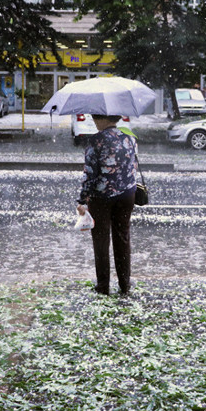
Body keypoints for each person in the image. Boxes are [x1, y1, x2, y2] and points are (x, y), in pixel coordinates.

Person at [76, 114, 138, 296]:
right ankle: (124, 285)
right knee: (123, 238)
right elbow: (131, 166)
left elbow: (90, 174)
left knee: (101, 241)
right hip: (127, 194)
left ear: (103, 119)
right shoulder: (129, 137)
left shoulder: (96, 140)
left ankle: (103, 286)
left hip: (102, 197)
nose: (94, 121)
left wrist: (82, 200)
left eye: (96, 118)